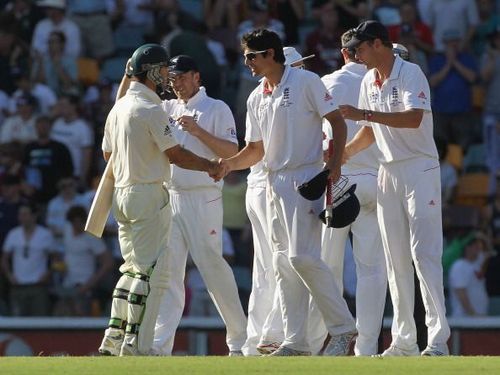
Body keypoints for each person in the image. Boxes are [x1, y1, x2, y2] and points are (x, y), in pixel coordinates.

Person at [215, 29, 357, 356]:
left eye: (252, 55)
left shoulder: (306, 82)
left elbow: (336, 121)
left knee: (300, 257)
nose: (247, 61)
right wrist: (226, 165)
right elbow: (255, 150)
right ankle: (296, 341)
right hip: (273, 183)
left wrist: (334, 165)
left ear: (270, 54)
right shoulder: (256, 96)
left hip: (307, 178)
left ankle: (342, 327)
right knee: (282, 263)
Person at [97, 43, 221, 357]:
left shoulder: (119, 108)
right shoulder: (151, 110)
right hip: (148, 193)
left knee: (131, 270)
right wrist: (210, 165)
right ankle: (136, 345)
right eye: (164, 70)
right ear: (151, 71)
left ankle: (115, 338)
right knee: (153, 274)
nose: (167, 76)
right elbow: (176, 154)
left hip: (122, 195)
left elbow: (107, 154)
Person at [339, 20, 451, 356]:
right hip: (387, 171)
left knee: (424, 254)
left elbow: (414, 117)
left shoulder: (411, 72)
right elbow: (368, 132)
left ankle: (438, 340)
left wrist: (365, 113)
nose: (354, 55)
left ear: (377, 44)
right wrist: (341, 156)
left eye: (359, 48)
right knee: (395, 257)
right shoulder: (368, 81)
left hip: (419, 169)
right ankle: (404, 341)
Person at [146, 54, 246, 356]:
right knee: (168, 273)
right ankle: (159, 346)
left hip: (203, 197)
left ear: (196, 77)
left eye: (181, 77)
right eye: (172, 78)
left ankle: (240, 342)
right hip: (171, 196)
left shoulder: (216, 108)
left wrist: (198, 131)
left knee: (212, 268)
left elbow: (232, 151)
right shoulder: (166, 107)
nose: (175, 83)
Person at [308, 29, 387, 356]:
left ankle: (317, 343)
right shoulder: (379, 82)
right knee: (371, 271)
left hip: (337, 183)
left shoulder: (326, 82)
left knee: (326, 268)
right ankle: (366, 349)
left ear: (343, 54)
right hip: (374, 180)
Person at [243, 46, 314, 356]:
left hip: (260, 183)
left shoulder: (263, 93)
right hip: (274, 184)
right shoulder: (279, 94)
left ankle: (258, 338)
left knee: (269, 266)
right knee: (284, 262)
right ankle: (272, 334)